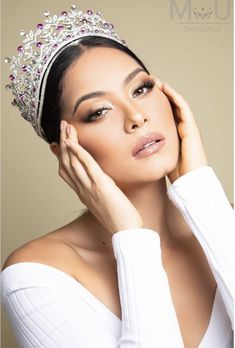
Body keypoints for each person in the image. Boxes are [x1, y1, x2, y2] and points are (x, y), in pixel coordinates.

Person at [1, 6, 234, 348]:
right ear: (65, 151)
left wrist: (200, 191)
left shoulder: (223, 224)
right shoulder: (36, 278)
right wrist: (131, 238)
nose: (137, 117)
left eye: (140, 89)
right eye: (98, 111)